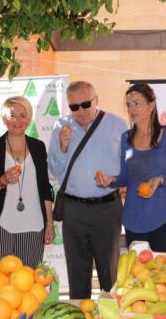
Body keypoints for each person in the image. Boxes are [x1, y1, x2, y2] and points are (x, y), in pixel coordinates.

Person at [48, 81, 127, 299]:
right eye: (74, 107)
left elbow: (129, 167)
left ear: (96, 100)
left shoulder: (118, 125)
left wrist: (115, 181)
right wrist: (62, 148)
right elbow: (53, 170)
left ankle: (110, 313)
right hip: (74, 209)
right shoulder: (61, 126)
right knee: (77, 270)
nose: (80, 111)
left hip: (107, 207)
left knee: (110, 272)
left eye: (85, 104)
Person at [0, 96, 55, 268]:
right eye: (12, 115)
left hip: (34, 226)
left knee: (28, 283)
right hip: (0, 226)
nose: (17, 120)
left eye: (23, 115)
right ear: (4, 119)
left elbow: (44, 188)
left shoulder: (38, 147)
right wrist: (2, 180)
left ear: (29, 118)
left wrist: (49, 223)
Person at [95, 83, 166, 252]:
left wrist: (161, 180)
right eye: (129, 105)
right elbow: (126, 177)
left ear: (151, 105)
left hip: (162, 217)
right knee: (138, 275)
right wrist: (111, 180)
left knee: (162, 274)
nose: (132, 109)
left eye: (137, 103)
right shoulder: (126, 138)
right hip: (133, 219)